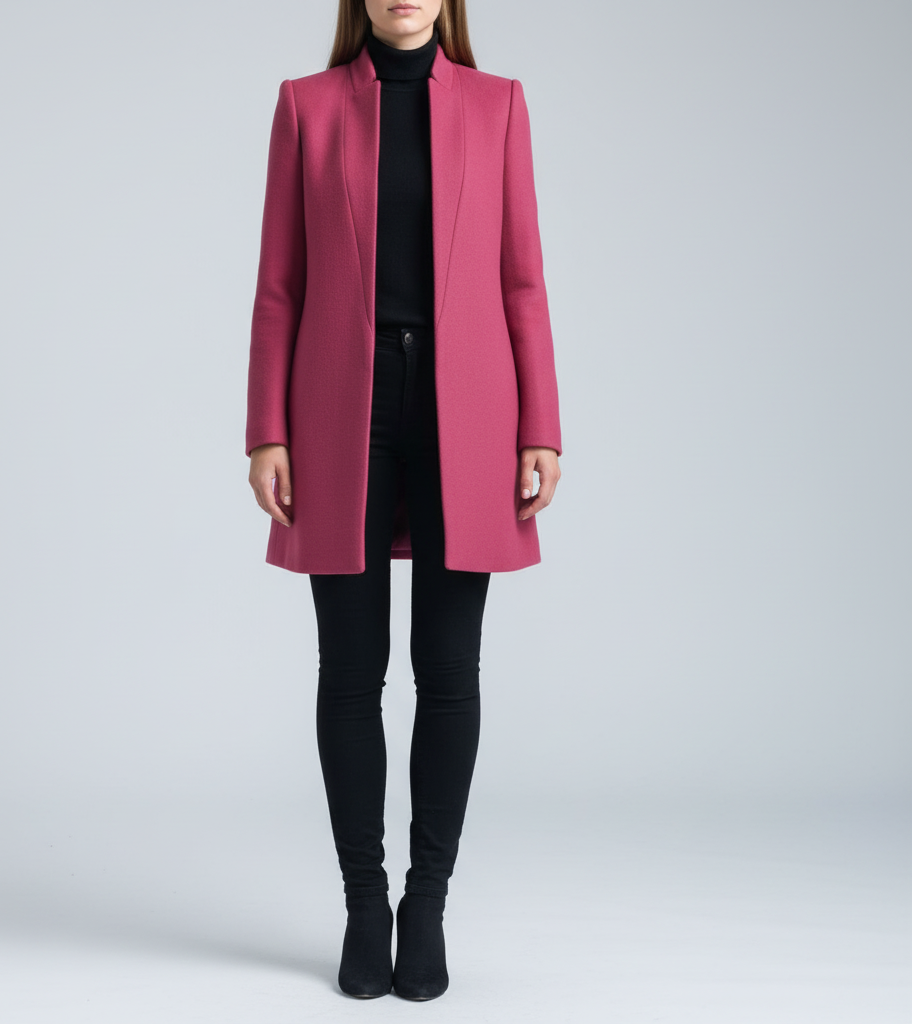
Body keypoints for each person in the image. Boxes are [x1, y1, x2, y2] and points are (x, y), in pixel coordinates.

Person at [245, 0, 562, 1002]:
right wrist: (266, 429)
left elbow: (522, 280)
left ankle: (426, 905)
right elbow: (280, 285)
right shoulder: (307, 108)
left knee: (449, 669)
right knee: (351, 669)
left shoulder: (498, 106)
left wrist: (542, 424)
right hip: (343, 400)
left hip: (469, 403)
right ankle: (363, 905)